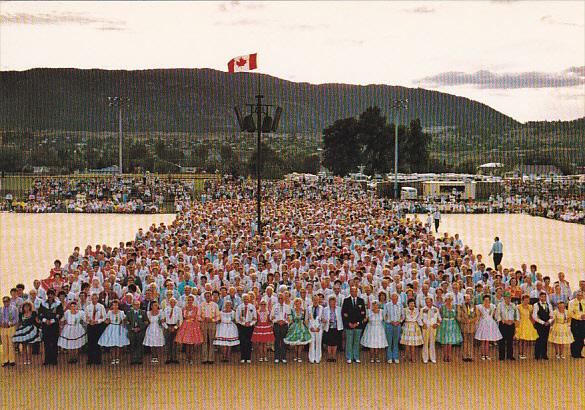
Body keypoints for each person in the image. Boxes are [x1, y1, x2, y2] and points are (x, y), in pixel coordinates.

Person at [98, 300, 130, 365]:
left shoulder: (121, 312)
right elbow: (107, 320)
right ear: (112, 306)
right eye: (114, 305)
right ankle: (113, 358)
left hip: (119, 328)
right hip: (111, 328)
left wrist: (125, 321)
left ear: (118, 306)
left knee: (118, 345)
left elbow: (124, 320)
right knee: (112, 345)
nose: (115, 306)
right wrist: (104, 320)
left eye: (116, 305)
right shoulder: (109, 312)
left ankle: (117, 358)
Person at [341, 286, 366, 364]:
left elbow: (363, 313)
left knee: (356, 341)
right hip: (349, 325)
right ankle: (349, 357)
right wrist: (349, 323)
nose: (353, 292)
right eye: (352, 291)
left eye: (355, 291)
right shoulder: (346, 301)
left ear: (357, 292)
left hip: (358, 325)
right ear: (350, 292)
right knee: (349, 342)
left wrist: (357, 323)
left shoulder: (361, 301)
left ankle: (356, 357)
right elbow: (344, 313)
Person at [175, 294, 203, 364]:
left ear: (193, 301)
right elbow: (183, 317)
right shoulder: (184, 308)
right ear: (187, 301)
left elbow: (197, 317)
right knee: (187, 343)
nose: (190, 301)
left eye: (191, 300)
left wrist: (197, 325)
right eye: (188, 300)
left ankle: (191, 358)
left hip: (193, 325)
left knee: (192, 343)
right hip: (186, 325)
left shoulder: (196, 308)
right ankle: (187, 358)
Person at [12, 301, 41, 365]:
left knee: (30, 346)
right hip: (23, 330)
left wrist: (40, 322)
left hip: (31, 330)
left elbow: (37, 321)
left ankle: (29, 360)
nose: (26, 308)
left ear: (30, 307)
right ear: (23, 308)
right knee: (24, 346)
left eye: (28, 306)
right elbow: (19, 322)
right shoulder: (21, 314)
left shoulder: (33, 313)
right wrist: (16, 330)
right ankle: (25, 360)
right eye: (25, 307)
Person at [39, 289, 63, 366]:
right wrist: (45, 320)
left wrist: (52, 321)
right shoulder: (42, 303)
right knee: (46, 343)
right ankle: (47, 360)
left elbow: (60, 314)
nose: (50, 296)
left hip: (54, 326)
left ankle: (54, 359)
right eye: (49, 294)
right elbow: (40, 314)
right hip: (45, 326)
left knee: (54, 343)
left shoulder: (58, 304)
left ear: (54, 295)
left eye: (52, 294)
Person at [475, 295, 502, 361]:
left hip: (490, 324)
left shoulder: (492, 306)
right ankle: (482, 355)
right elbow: (478, 316)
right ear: (483, 300)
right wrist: (477, 323)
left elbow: (494, 315)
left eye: (488, 300)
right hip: (483, 323)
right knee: (483, 341)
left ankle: (487, 355)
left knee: (487, 340)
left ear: (490, 300)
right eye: (485, 300)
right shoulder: (480, 307)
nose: (487, 301)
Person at [283, 298, 311, 362]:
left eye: (299, 303)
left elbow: (305, 320)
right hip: (294, 326)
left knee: (300, 343)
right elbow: (291, 319)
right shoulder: (292, 310)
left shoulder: (303, 311)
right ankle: (295, 355)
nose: (297, 304)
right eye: (296, 303)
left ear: (301, 304)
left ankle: (299, 356)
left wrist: (306, 327)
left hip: (301, 327)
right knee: (295, 343)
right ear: (295, 304)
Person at [436, 294, 462, 362]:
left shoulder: (454, 307)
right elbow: (439, 316)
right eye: (448, 299)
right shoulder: (442, 307)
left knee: (450, 342)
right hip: (444, 324)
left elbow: (457, 315)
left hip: (453, 324)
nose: (449, 301)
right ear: (445, 300)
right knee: (445, 342)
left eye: (450, 299)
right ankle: (445, 355)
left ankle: (449, 356)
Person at [495, 291, 519, 361]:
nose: (508, 299)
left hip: (511, 324)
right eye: (506, 297)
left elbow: (516, 314)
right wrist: (504, 321)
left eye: (509, 298)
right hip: (503, 324)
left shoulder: (513, 305)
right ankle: (501, 356)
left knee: (510, 340)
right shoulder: (500, 305)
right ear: (504, 298)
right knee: (502, 340)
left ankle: (510, 355)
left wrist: (513, 321)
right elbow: (497, 315)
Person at [198, 290, 220, 364]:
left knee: (211, 341)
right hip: (203, 323)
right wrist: (203, 319)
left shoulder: (215, 305)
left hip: (212, 323)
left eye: (209, 296)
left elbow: (218, 316)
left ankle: (211, 358)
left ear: (211, 297)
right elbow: (198, 315)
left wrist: (212, 319)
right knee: (204, 341)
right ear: (204, 297)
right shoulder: (201, 305)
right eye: (206, 296)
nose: (208, 297)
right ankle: (204, 358)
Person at [85, 293, 106, 365]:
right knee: (90, 343)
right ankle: (90, 360)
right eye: (93, 298)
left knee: (97, 343)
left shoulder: (101, 307)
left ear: (97, 299)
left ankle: (97, 360)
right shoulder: (88, 307)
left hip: (98, 326)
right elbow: (86, 317)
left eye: (95, 298)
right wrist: (89, 321)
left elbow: (104, 317)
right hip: (90, 326)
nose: (94, 300)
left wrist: (97, 321)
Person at [236, 293, 257, 363]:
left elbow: (255, 318)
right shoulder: (239, 307)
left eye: (247, 299)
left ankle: (248, 358)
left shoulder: (252, 307)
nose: (246, 300)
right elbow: (237, 318)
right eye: (244, 299)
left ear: (249, 299)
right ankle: (242, 357)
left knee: (249, 342)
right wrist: (244, 323)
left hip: (250, 327)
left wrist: (250, 323)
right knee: (242, 342)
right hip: (242, 326)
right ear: (242, 299)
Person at [515, 294, 538, 360]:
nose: (526, 301)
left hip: (528, 323)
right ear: (522, 300)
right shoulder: (518, 307)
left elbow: (531, 316)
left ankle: (524, 353)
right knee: (520, 340)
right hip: (521, 323)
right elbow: (517, 316)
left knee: (525, 340)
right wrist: (516, 325)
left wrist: (533, 323)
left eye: (528, 300)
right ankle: (520, 353)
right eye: (525, 300)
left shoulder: (530, 307)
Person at [456, 293, 478, 362]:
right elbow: (458, 317)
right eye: (466, 299)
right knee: (465, 341)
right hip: (464, 326)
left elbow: (477, 316)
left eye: (469, 299)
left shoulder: (473, 306)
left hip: (471, 326)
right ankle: (464, 355)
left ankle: (470, 355)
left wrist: (471, 320)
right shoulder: (460, 306)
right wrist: (463, 321)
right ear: (464, 299)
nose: (468, 300)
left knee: (471, 341)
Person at [419, 296, 441, 364]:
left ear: (432, 302)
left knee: (432, 343)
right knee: (425, 343)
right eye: (426, 302)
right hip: (426, 327)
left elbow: (439, 319)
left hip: (433, 327)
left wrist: (437, 324)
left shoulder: (435, 309)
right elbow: (419, 319)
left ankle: (433, 358)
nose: (428, 303)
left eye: (429, 302)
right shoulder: (423, 309)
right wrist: (423, 324)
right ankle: (425, 358)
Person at [400, 298, 423, 362]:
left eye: (413, 303)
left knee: (413, 344)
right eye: (410, 303)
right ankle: (406, 356)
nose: (412, 304)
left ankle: (413, 357)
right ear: (408, 304)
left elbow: (418, 319)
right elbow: (402, 318)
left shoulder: (417, 310)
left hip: (415, 327)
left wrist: (422, 325)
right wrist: (399, 321)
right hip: (407, 326)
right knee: (407, 344)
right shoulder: (405, 310)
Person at [532, 292, 553, 360]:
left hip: (547, 324)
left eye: (544, 297)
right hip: (539, 324)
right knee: (539, 339)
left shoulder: (549, 305)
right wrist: (543, 322)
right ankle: (537, 355)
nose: (543, 298)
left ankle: (544, 354)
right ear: (539, 297)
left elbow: (552, 315)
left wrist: (549, 321)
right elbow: (534, 316)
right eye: (542, 297)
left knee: (545, 339)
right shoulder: (536, 305)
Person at [383, 292, 404, 364]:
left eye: (396, 298)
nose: (394, 299)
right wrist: (390, 322)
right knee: (389, 342)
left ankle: (395, 357)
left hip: (397, 325)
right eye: (393, 298)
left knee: (395, 341)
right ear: (391, 298)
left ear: (397, 299)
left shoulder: (400, 305)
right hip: (389, 325)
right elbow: (385, 315)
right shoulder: (387, 305)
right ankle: (389, 357)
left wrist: (399, 321)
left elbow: (402, 315)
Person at [126, 298, 147, 364]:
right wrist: (132, 328)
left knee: (139, 345)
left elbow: (146, 322)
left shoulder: (143, 312)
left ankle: (139, 359)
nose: (136, 306)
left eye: (138, 304)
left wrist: (140, 328)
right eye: (135, 304)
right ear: (132, 305)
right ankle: (133, 359)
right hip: (132, 331)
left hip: (140, 331)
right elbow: (126, 322)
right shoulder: (129, 313)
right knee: (132, 345)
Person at [271, 292, 290, 364]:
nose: (280, 299)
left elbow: (289, 317)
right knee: (277, 341)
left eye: (282, 298)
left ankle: (283, 357)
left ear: (284, 299)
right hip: (277, 325)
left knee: (283, 341)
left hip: (284, 325)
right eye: (279, 298)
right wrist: (277, 321)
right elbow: (271, 317)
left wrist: (284, 321)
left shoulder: (287, 307)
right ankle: (276, 357)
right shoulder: (274, 306)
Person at [162, 297, 183, 364]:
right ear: (169, 302)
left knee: (175, 343)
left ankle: (175, 358)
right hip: (167, 326)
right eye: (171, 302)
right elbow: (163, 319)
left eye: (174, 302)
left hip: (175, 327)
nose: (172, 303)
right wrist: (167, 327)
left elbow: (181, 320)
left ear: (176, 302)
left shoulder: (179, 309)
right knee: (168, 343)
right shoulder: (166, 309)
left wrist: (176, 327)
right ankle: (168, 358)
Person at [323, 295, 343, 362]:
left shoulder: (339, 309)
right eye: (331, 302)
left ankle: (334, 356)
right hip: (328, 327)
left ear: (335, 302)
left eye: (333, 302)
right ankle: (329, 356)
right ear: (329, 302)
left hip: (336, 327)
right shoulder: (325, 309)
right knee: (329, 343)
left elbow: (341, 318)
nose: (332, 303)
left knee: (335, 342)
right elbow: (323, 317)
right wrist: (326, 320)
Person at [1, 296, 19, 367]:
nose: (5, 303)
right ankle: (5, 360)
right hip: (3, 328)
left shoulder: (14, 308)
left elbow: (16, 319)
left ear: (9, 301)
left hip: (11, 327)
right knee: (4, 344)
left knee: (11, 344)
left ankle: (12, 360)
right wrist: (1, 323)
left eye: (6, 301)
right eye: (4, 301)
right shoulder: (1, 309)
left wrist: (9, 323)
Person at [306, 295, 324, 364]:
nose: (316, 301)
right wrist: (310, 327)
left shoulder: (322, 308)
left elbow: (322, 319)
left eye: (317, 300)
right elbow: (307, 319)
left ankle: (318, 358)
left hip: (319, 328)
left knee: (318, 342)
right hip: (311, 328)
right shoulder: (309, 308)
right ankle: (311, 358)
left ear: (319, 300)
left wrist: (319, 327)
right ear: (312, 300)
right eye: (314, 300)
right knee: (311, 343)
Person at [568, 290, 585, 358]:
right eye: (578, 295)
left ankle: (579, 353)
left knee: (582, 337)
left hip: (583, 322)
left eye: (581, 295)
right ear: (576, 295)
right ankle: (574, 353)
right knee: (575, 337)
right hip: (575, 321)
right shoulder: (571, 302)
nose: (580, 296)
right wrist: (579, 316)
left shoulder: (584, 301)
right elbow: (570, 313)